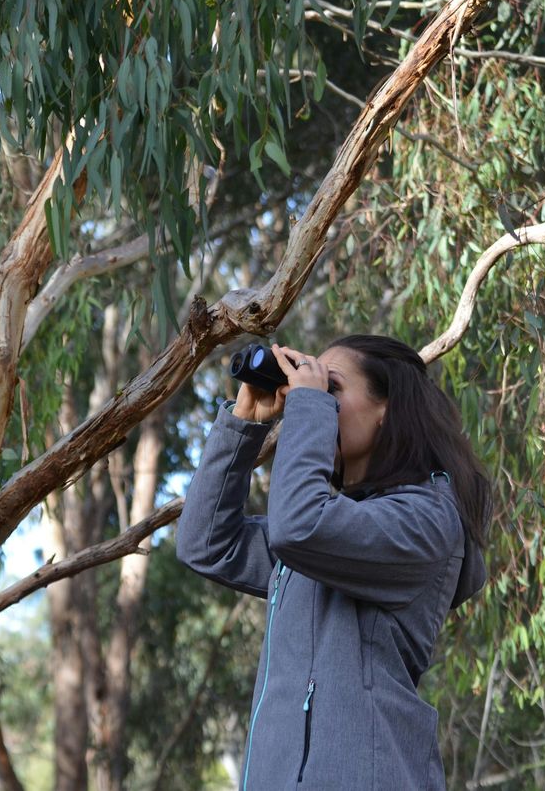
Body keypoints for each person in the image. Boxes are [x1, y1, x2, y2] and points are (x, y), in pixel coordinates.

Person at [177, 335, 490, 790]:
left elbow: (298, 525)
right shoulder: (328, 536)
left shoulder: (427, 521)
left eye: (332, 389)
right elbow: (206, 544)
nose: (315, 399)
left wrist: (306, 403)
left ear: (388, 409)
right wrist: (244, 423)